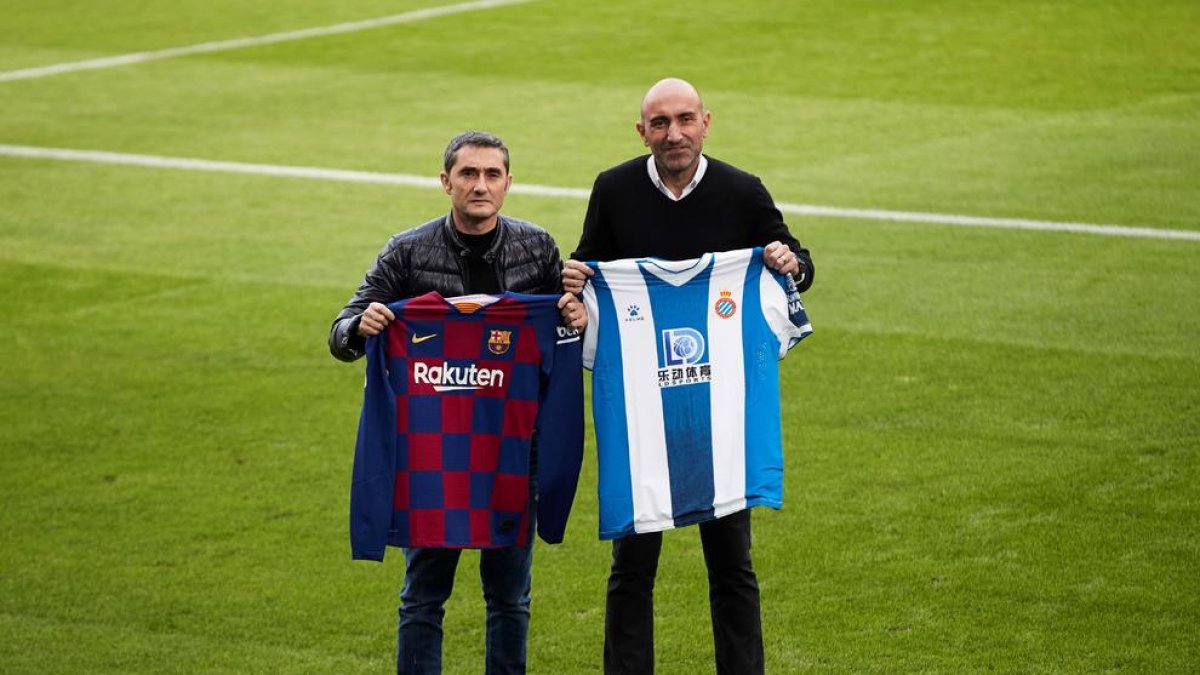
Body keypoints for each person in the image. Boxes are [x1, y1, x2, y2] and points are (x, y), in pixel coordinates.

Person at [562, 78, 815, 675]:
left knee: (732, 564)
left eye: (684, 120)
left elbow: (798, 264)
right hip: (643, 412)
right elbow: (588, 268)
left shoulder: (742, 191)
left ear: (706, 122)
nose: (673, 134)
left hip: (719, 415)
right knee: (632, 566)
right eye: (659, 123)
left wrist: (789, 263)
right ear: (642, 131)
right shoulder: (615, 189)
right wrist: (572, 291)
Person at [330, 130, 587, 675]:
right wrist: (360, 325)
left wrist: (574, 319)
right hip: (433, 454)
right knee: (423, 595)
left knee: (510, 596)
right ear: (445, 181)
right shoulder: (407, 251)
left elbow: (560, 331)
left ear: (509, 183)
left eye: (492, 174)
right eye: (468, 174)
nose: (480, 185)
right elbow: (341, 330)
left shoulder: (537, 247)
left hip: (515, 448)